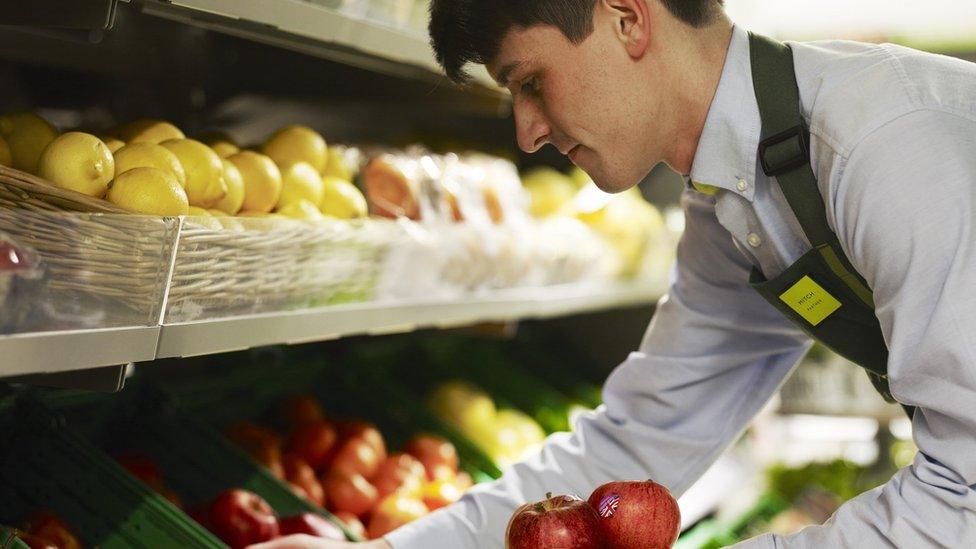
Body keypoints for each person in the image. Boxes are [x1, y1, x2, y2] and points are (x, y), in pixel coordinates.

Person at [252, 0, 976, 547]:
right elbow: (640, 441)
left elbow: (964, 497)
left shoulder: (884, 148)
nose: (527, 130)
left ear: (627, 18)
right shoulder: (732, 199)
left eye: (531, 81)